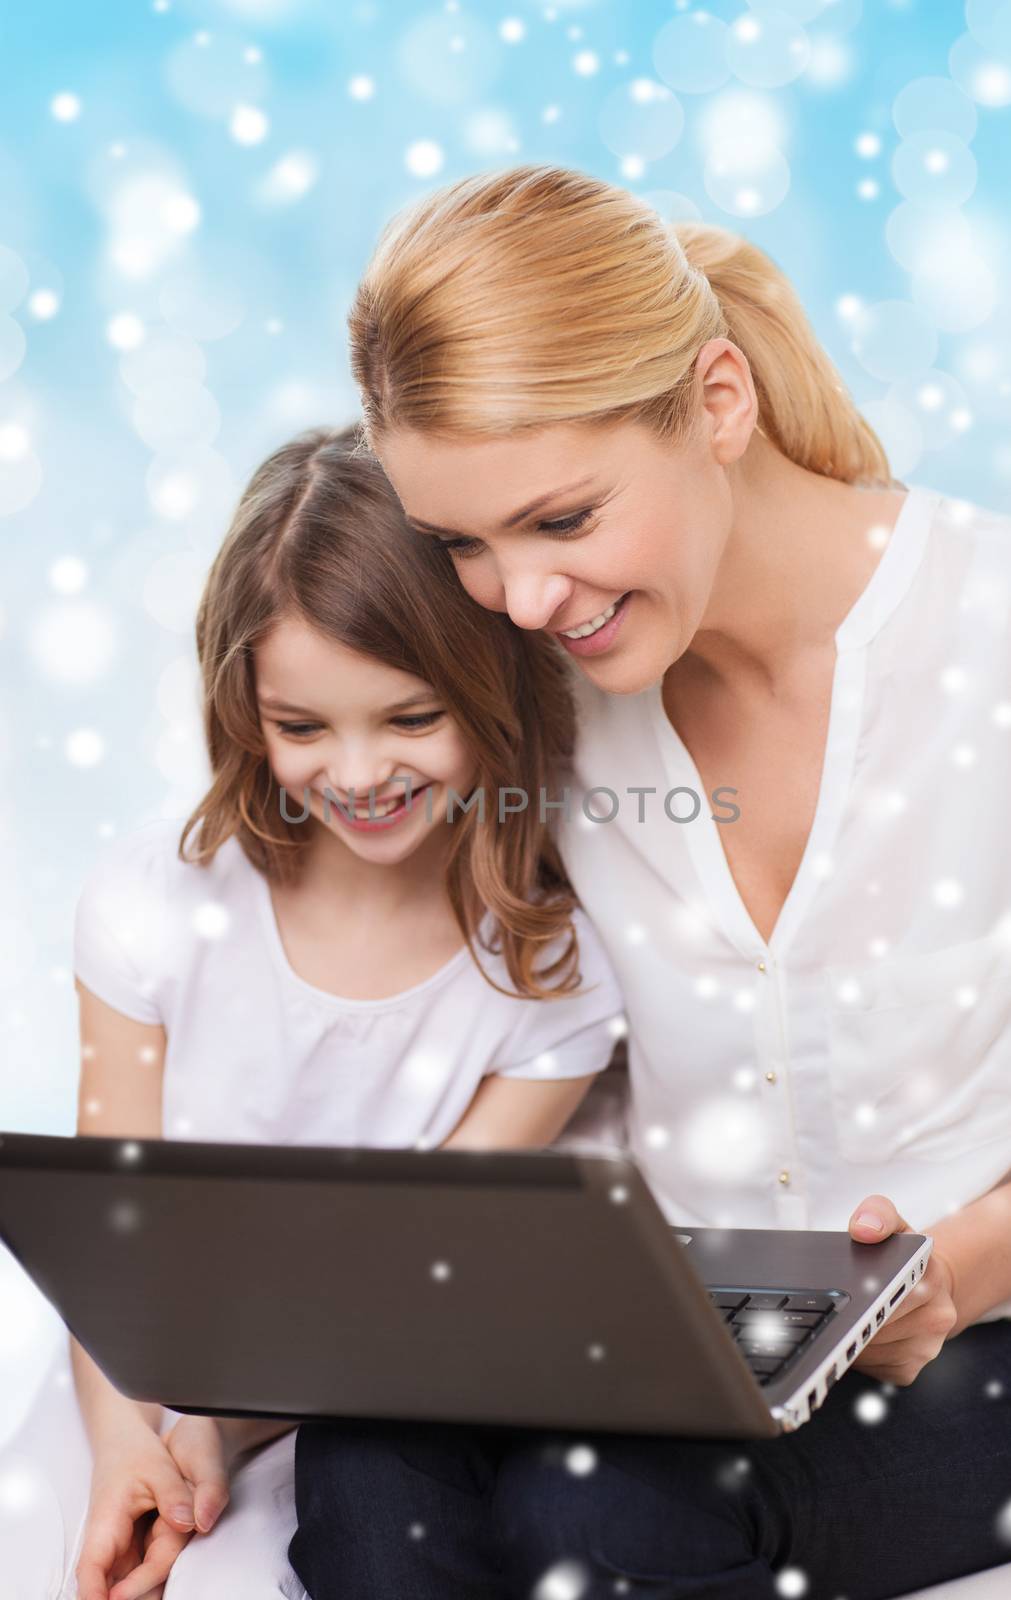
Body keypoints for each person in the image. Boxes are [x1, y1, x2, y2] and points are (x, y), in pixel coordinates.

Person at [287, 166, 1011, 1599]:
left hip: (970, 1332)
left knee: (600, 1517)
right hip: (661, 1318)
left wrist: (958, 1268)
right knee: (366, 1472)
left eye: (560, 520)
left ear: (717, 403)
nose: (520, 599)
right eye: (462, 545)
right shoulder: (542, 700)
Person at [0, 423, 627, 1600]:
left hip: (350, 1399)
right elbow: (105, 1247)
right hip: (128, 1386)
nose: (356, 772)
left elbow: (405, 1296)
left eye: (408, 718)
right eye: (302, 728)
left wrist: (225, 1436)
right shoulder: (153, 904)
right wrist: (136, 1435)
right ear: (245, 711)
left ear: (493, 695)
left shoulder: (551, 975)